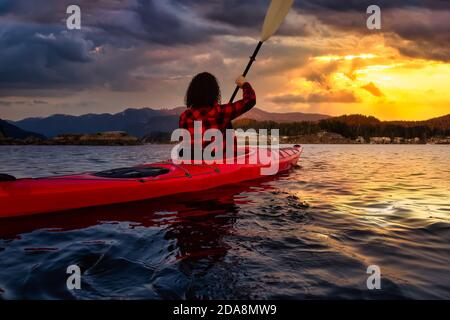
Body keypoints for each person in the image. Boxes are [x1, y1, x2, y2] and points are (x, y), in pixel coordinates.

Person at [179, 72, 256, 160]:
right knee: (227, 124)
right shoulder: (221, 112)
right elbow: (250, 100)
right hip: (219, 163)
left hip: (194, 164)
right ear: (214, 93)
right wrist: (244, 84)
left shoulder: (184, 117)